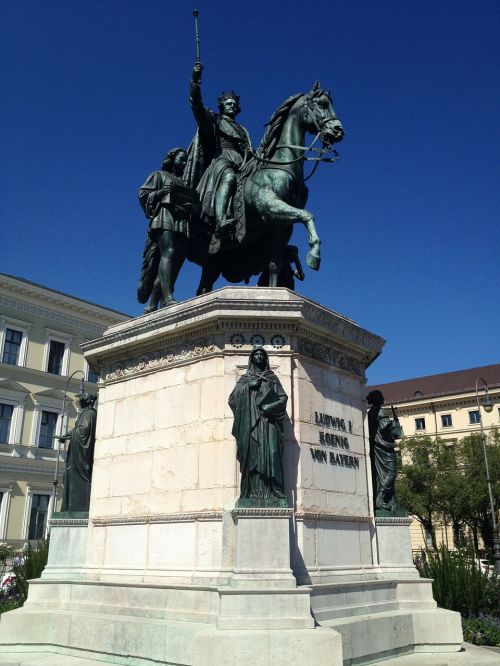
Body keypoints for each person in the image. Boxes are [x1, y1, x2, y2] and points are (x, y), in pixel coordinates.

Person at [189, 62, 251, 239]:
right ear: (222, 105)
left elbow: (248, 150)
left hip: (243, 161)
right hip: (222, 159)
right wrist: (195, 80)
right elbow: (196, 106)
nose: (231, 106)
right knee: (229, 177)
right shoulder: (214, 120)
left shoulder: (243, 130)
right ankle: (221, 220)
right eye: (228, 103)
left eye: (233, 104)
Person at [137, 148, 200, 311]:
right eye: (182, 159)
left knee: (174, 263)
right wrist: (160, 192)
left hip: (181, 220)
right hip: (165, 217)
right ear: (171, 159)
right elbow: (143, 194)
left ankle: (152, 305)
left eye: (187, 160)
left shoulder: (184, 184)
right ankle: (168, 297)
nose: (185, 163)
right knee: (169, 254)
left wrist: (191, 207)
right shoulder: (158, 175)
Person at [228, 347, 288, 501]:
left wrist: (270, 407)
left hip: (269, 423)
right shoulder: (244, 380)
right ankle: (251, 492)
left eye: (262, 354)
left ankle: (275, 490)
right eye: (257, 354)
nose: (260, 356)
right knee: (251, 456)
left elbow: (283, 398)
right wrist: (248, 387)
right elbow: (232, 399)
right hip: (250, 425)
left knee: (273, 453)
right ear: (252, 358)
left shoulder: (272, 378)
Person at [59, 392, 97, 512]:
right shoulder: (85, 413)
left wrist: (71, 434)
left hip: (81, 456)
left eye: (80, 400)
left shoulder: (90, 413)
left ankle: (76, 508)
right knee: (69, 478)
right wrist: (69, 434)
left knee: (76, 480)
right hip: (76, 452)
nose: (78, 403)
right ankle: (68, 508)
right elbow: (79, 429)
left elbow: (84, 431)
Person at [366, 389, 403, 513]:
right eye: (381, 396)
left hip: (377, 447)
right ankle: (380, 499)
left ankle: (390, 504)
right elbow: (384, 427)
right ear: (378, 398)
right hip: (384, 448)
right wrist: (395, 423)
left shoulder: (370, 412)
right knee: (391, 474)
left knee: (381, 476)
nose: (383, 398)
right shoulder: (380, 411)